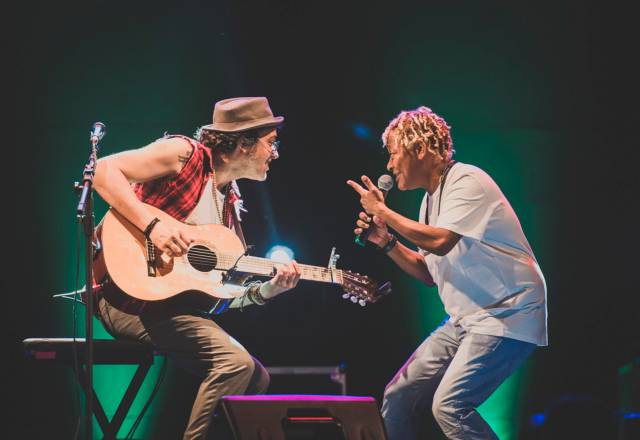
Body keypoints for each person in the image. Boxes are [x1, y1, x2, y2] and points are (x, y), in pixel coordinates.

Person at [92, 97, 302, 439]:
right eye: (270, 143)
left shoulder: (229, 209)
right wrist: (153, 226)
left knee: (255, 377)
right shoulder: (183, 154)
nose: (275, 153)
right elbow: (102, 171)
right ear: (244, 142)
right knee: (235, 364)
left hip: (170, 308)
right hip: (123, 298)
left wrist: (269, 290)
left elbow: (219, 296)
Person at [347, 106, 547, 440]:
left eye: (394, 153)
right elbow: (429, 272)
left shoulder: (468, 180)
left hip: (509, 313)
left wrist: (382, 210)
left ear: (420, 150)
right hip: (466, 319)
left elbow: (440, 242)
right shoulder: (429, 202)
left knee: (449, 405)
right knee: (398, 396)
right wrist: (385, 242)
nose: (389, 164)